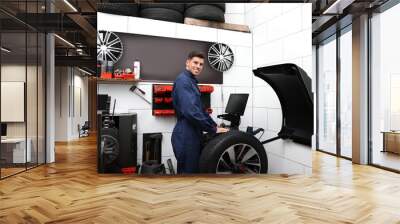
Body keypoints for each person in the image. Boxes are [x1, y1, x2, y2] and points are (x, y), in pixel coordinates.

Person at [171, 51, 228, 174]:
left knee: (195, 172)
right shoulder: (184, 81)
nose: (198, 66)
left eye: (201, 64)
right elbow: (191, 112)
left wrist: (214, 126)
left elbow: (200, 110)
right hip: (186, 134)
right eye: (195, 62)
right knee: (189, 175)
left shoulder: (191, 81)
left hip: (193, 132)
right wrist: (212, 129)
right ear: (188, 62)